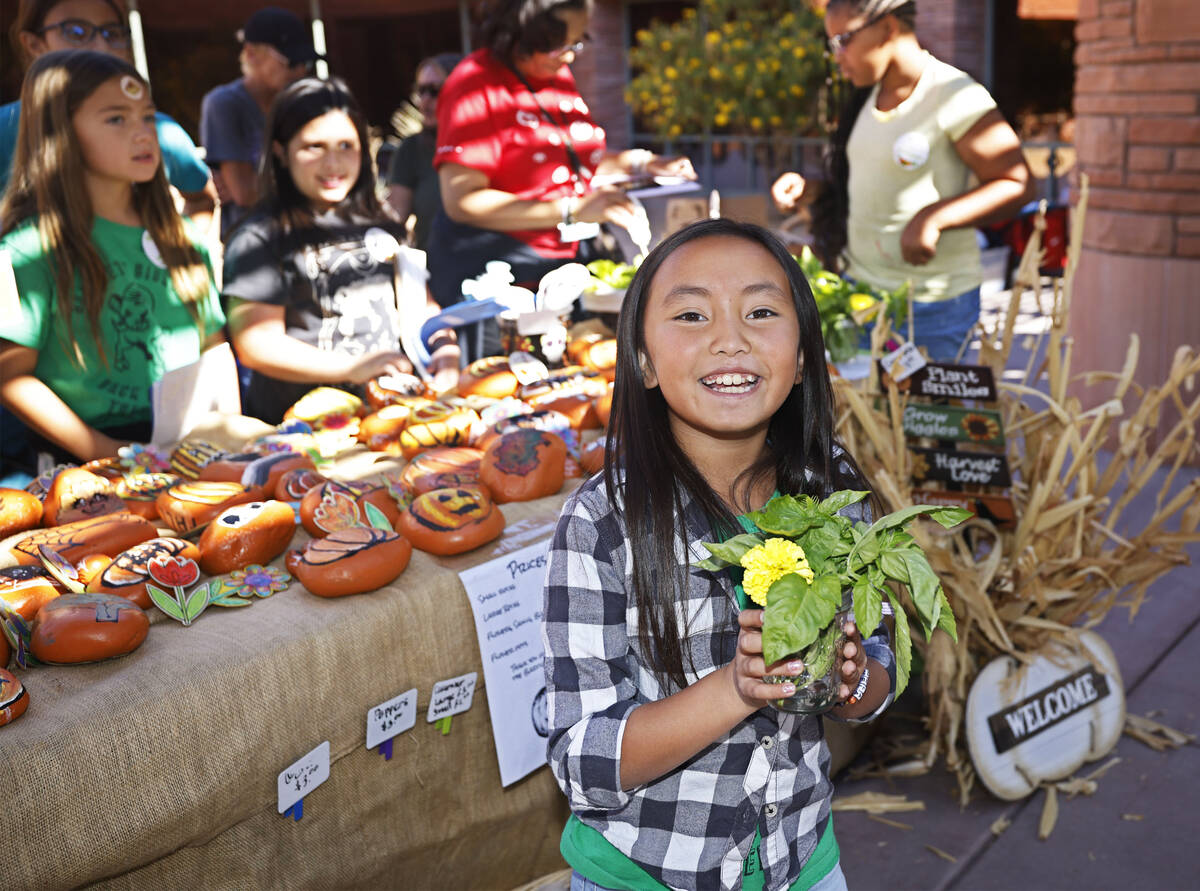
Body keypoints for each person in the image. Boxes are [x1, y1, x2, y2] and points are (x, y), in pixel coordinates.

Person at [543, 219, 896, 890]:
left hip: (801, 862)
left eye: (761, 311)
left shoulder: (833, 492)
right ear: (643, 359)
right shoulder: (600, 522)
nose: (729, 338)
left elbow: (874, 672)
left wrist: (850, 678)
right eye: (691, 314)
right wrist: (735, 688)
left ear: (800, 360)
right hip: (647, 874)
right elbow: (581, 758)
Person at [771, 0, 1030, 362]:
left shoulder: (954, 94)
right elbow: (867, 180)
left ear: (888, 28)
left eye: (843, 40)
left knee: (924, 418)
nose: (837, 56)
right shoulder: (865, 98)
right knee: (864, 416)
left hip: (932, 307)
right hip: (858, 296)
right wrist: (810, 187)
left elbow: (1016, 183)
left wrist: (934, 218)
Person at [0, 51, 227, 464]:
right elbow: (11, 377)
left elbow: (213, 344)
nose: (144, 133)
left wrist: (231, 432)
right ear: (61, 133)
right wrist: (114, 454)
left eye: (147, 116)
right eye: (116, 118)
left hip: (193, 451)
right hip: (83, 465)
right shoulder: (17, 252)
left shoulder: (183, 236)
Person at [222, 77, 460, 425]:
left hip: (395, 416)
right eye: (314, 147)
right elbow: (256, 344)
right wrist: (353, 367)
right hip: (301, 432)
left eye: (346, 146)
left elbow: (420, 305)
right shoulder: (259, 236)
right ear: (280, 152)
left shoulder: (384, 221)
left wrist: (445, 348)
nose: (333, 163)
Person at [427, 0, 696, 309]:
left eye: (578, 42)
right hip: (500, 275)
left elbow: (567, 156)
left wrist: (644, 163)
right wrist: (572, 209)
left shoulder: (557, 74)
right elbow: (462, 201)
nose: (569, 55)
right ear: (518, 34)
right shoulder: (475, 83)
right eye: (557, 45)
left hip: (563, 264)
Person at [2, 0, 216, 222]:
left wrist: (183, 249)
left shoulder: (161, 134)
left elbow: (201, 197)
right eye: (76, 32)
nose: (101, 47)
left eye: (112, 33)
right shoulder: (4, 130)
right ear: (34, 44)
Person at [200, 6, 318, 241]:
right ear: (251, 53)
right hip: (254, 243)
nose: (301, 71)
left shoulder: (303, 102)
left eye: (306, 62)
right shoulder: (224, 104)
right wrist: (307, 178)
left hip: (302, 234)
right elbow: (244, 192)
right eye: (292, 62)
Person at [384, 52, 463, 252]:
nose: (425, 101)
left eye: (435, 91)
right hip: (435, 269)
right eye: (421, 91)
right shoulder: (412, 149)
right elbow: (394, 217)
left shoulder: (489, 143)